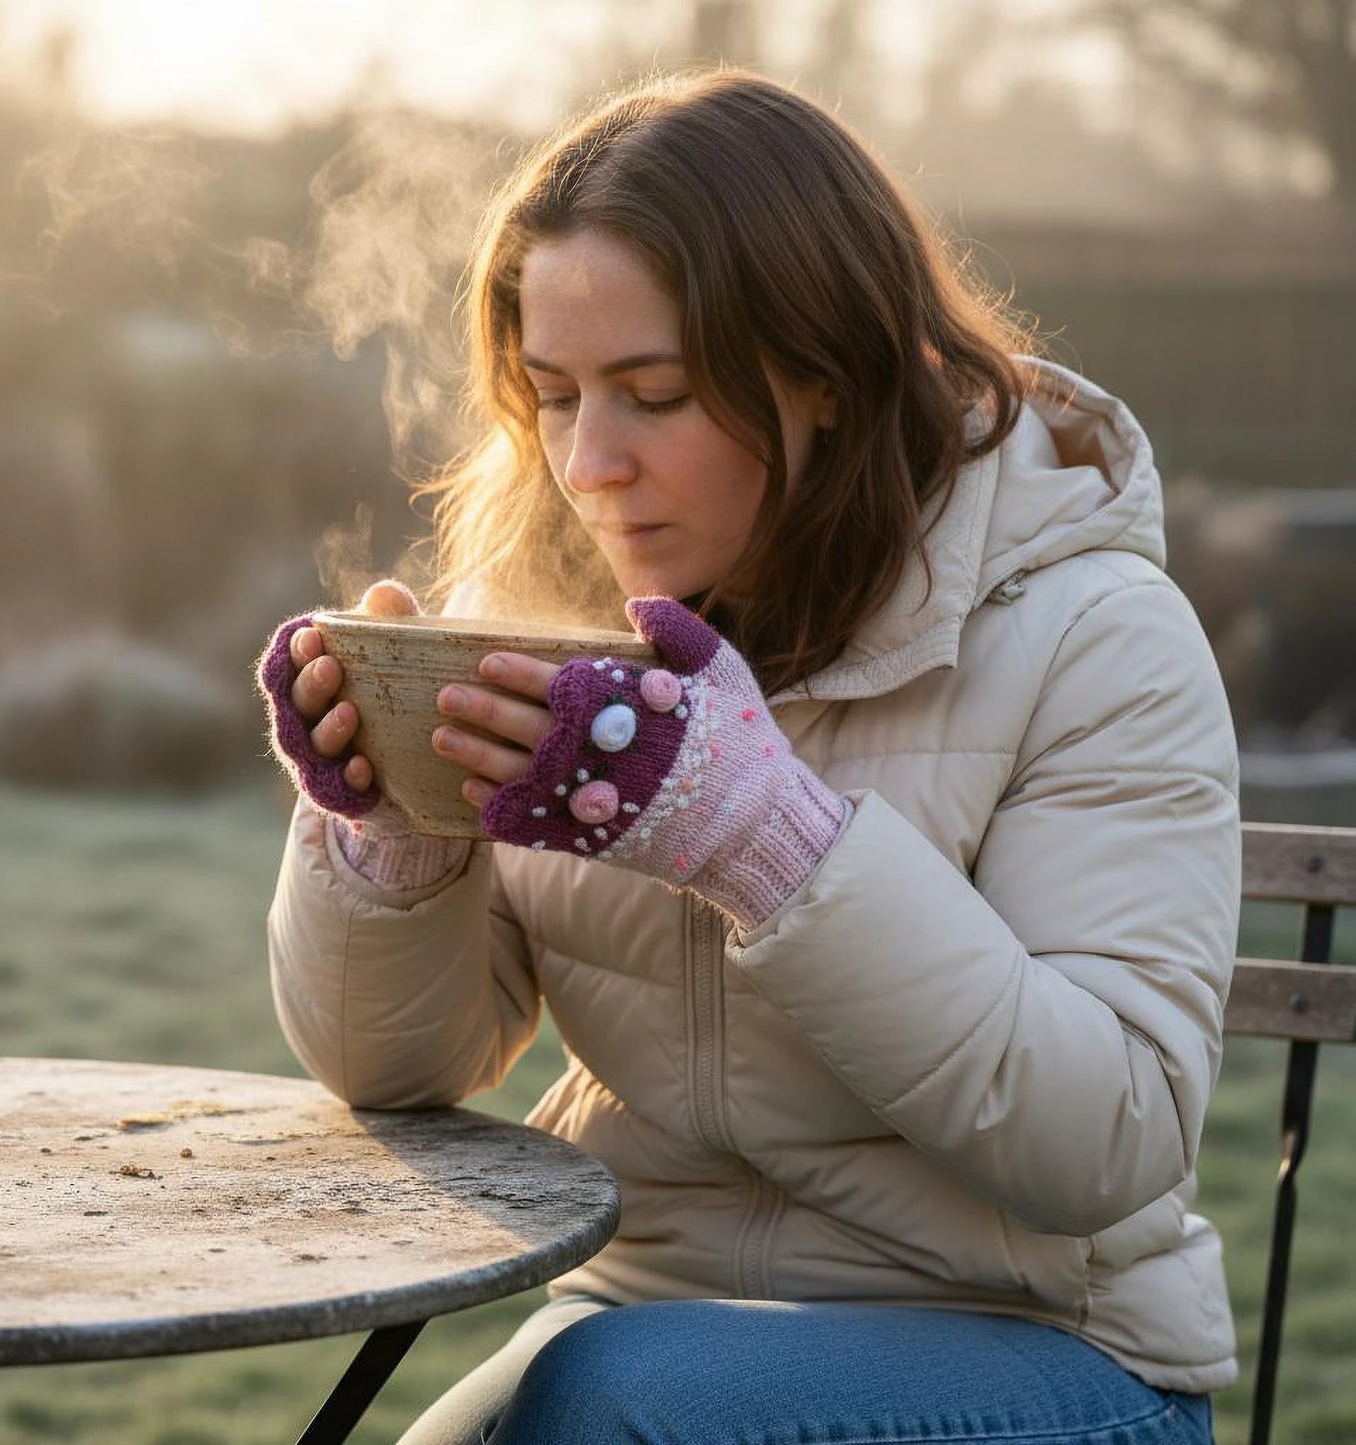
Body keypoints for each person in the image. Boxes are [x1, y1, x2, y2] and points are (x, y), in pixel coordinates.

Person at [258, 69, 1239, 1445]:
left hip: (1038, 1354)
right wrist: (395, 839)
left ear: (822, 376)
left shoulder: (1093, 634)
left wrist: (764, 838)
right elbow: (396, 1072)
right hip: (632, 1323)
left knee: (604, 1414)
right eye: (551, 393)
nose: (587, 462)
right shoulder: (551, 616)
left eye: (649, 394)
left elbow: (1111, 1137)